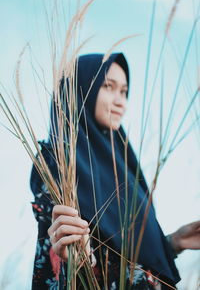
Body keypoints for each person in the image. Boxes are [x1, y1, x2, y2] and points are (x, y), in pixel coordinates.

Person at [30, 53, 200, 289]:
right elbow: (58, 254)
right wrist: (81, 260)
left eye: (124, 91)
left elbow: (126, 255)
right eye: (109, 87)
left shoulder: (123, 163)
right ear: (80, 89)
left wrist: (173, 242)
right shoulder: (56, 159)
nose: (121, 101)